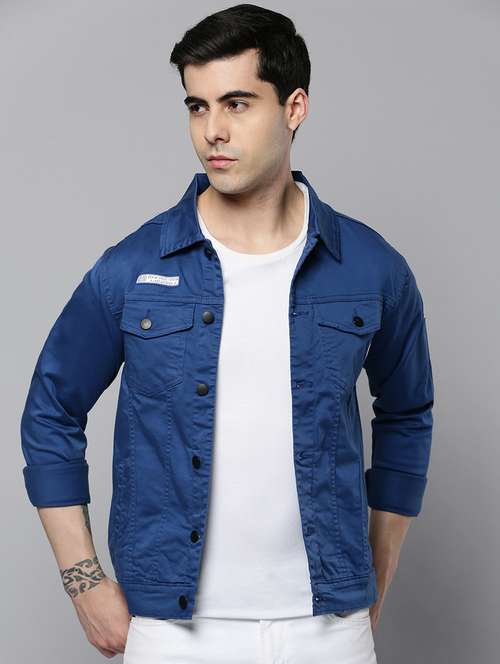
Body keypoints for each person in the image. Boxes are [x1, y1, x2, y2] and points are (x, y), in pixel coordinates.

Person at [20, 4, 434, 662]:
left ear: (294, 107)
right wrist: (84, 581)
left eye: (237, 104)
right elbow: (51, 409)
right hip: (174, 633)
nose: (212, 130)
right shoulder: (133, 269)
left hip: (328, 628)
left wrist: (378, 571)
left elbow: (407, 412)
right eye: (197, 106)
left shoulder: (371, 268)